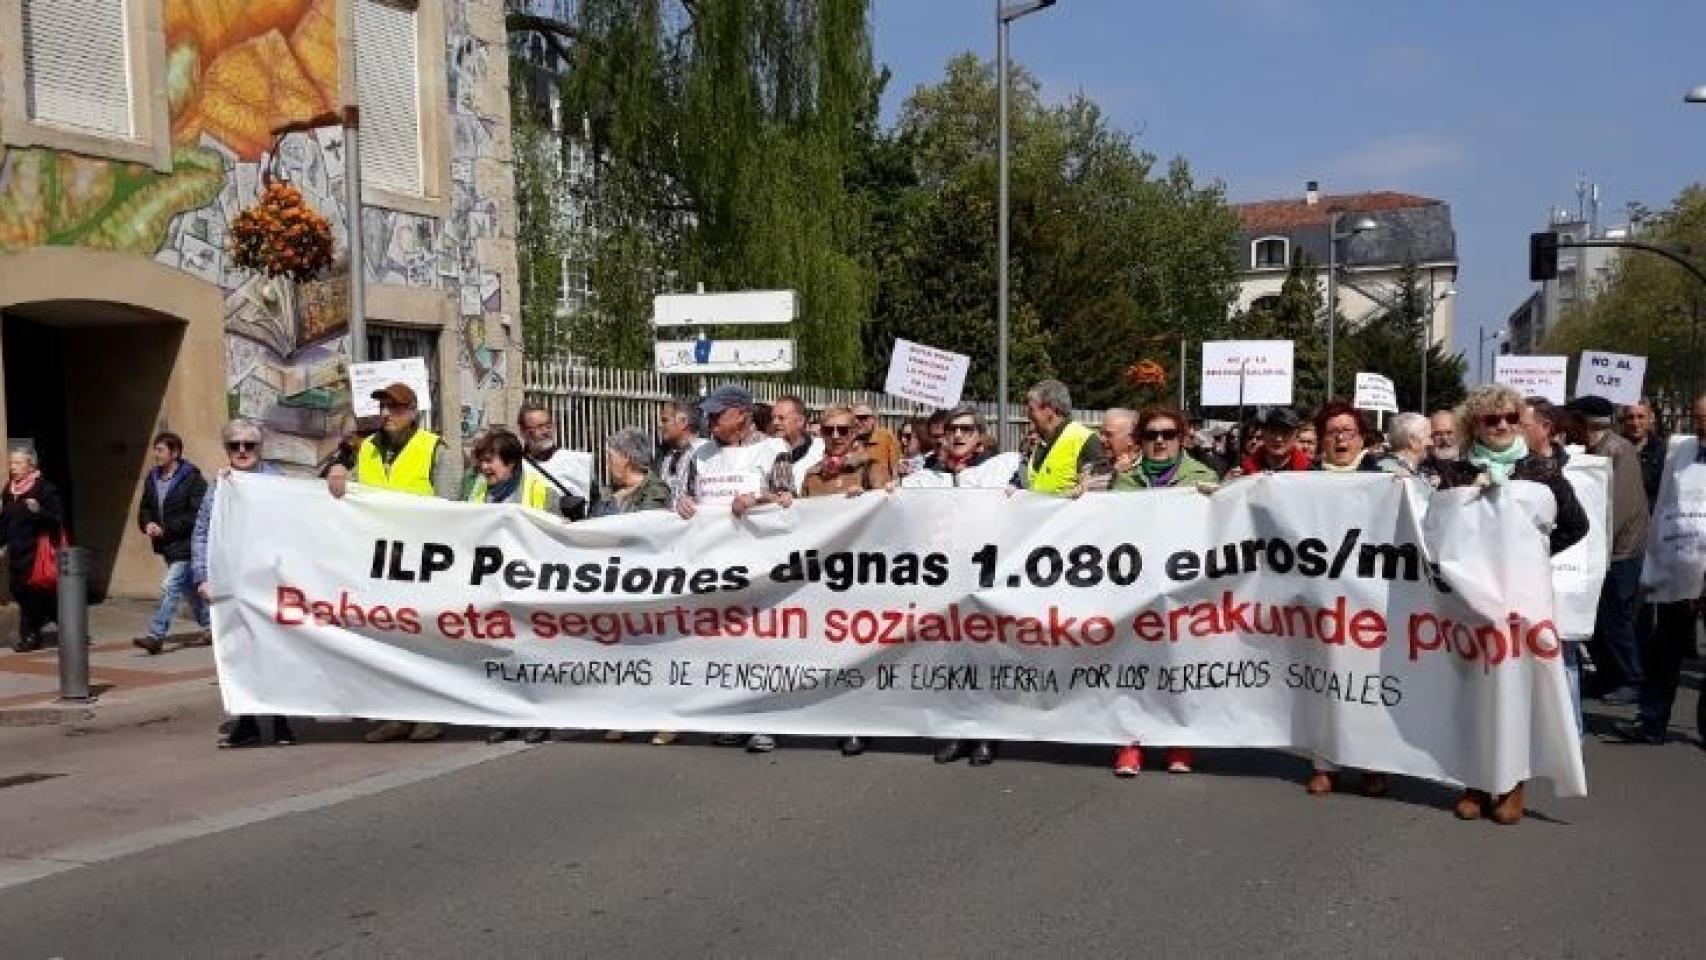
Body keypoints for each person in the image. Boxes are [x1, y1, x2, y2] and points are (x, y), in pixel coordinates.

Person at [1435, 384, 1588, 824]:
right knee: (1472, 688)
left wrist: (1533, 552)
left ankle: (1513, 782)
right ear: (1474, 425)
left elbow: (1576, 525)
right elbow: (1437, 532)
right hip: (1473, 602)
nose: (1501, 425)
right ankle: (1475, 781)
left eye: (1507, 418)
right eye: (1490, 419)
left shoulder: (1542, 472)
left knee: (1519, 687)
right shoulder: (1455, 475)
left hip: (1524, 599)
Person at [327, 382, 453, 743]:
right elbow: (347, 490)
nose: (386, 415)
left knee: (424, 642)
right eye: (382, 408)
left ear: (412, 411)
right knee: (387, 642)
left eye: (395, 409)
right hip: (378, 564)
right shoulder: (366, 449)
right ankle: (395, 713)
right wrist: (338, 472)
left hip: (421, 563)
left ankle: (432, 712)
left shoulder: (434, 449)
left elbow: (451, 508)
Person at [1098, 407, 1212, 777]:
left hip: (1184, 588)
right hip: (1135, 587)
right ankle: (1130, 743)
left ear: (1181, 438)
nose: (1159, 441)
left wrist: (1223, 494)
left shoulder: (1204, 477)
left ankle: (1181, 742)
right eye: (1151, 435)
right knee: (1132, 666)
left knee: (1180, 664)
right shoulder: (1125, 479)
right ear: (1140, 440)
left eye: (1167, 434)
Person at [679, 385, 793, 753]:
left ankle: (767, 719)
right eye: (708, 414)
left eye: (718, 413)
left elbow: (788, 497)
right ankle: (734, 716)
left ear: (742, 414)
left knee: (762, 644)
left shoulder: (773, 449)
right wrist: (683, 504)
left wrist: (758, 499)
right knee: (725, 643)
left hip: (760, 563)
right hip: (715, 565)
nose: (710, 420)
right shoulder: (701, 454)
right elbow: (686, 496)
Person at [191, 419, 295, 747]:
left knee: (275, 652)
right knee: (239, 654)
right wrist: (201, 576)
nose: (241, 451)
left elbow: (295, 526)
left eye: (248, 445)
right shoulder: (219, 485)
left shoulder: (276, 482)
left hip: (269, 582)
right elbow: (203, 532)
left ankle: (280, 721)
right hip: (232, 583)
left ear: (259, 448)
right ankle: (247, 722)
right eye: (234, 445)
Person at [1615, 392, 1706, 747]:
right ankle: (1652, 721)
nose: (1702, 428)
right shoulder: (1680, 452)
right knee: (1664, 647)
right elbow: (1666, 504)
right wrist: (1656, 560)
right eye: (1698, 420)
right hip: (1678, 566)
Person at [800, 406, 890, 757]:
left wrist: (869, 499)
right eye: (828, 430)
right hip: (824, 578)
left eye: (842, 430)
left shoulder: (871, 467)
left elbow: (891, 509)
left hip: (863, 577)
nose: (835, 437)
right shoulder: (812, 475)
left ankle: (859, 722)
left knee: (860, 652)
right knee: (828, 649)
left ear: (855, 432)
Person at [468, 429, 557, 747]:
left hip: (530, 586)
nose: (484, 468)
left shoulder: (539, 490)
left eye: (490, 461)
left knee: (531, 652)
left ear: (511, 462)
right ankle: (506, 716)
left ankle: (537, 717)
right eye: (481, 461)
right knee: (499, 652)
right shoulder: (479, 490)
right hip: (493, 586)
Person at [1567, 394, 1650, 705]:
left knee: (1616, 616)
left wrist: (1595, 542)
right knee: (1599, 617)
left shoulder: (1618, 450)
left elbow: (1621, 505)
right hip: (1602, 548)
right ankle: (1606, 675)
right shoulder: (1594, 449)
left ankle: (1631, 678)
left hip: (1621, 550)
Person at [135, 432, 210, 655]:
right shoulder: (152, 478)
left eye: (160, 450)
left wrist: (167, 528)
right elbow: (145, 507)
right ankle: (211, 626)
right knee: (189, 589)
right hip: (167, 545)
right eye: (155, 450)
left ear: (175, 452)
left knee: (170, 586)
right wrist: (147, 524)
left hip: (188, 544)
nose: (156, 455)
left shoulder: (193, 479)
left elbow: (198, 513)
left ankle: (156, 636)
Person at [1, 449, 64, 652]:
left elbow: (56, 521)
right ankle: (55, 623)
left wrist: (39, 511)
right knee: (18, 589)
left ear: (31, 466)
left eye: (17, 464)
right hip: (16, 551)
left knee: (31, 593)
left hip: (37, 551)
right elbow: (4, 522)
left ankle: (30, 636)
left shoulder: (44, 489)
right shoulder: (9, 491)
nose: (13, 468)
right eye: (12, 463)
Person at [1016, 379, 1101, 494]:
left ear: (1050, 409)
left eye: (1031, 409)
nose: (1028, 415)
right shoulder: (1041, 443)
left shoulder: (1085, 440)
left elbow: (1097, 494)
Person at [517, 402, 593, 516]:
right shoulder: (514, 468)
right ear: (523, 432)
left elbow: (595, 506)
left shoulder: (578, 461)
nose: (545, 431)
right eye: (539, 427)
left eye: (548, 425)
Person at [653, 399, 704, 508]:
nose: (660, 425)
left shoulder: (705, 453)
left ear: (683, 421)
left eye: (665, 420)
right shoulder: (662, 454)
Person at [1233, 408, 1311, 475]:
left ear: (1296, 436)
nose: (1278, 439)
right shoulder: (1243, 471)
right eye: (1272, 431)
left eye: (1285, 432)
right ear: (1263, 433)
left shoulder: (1310, 472)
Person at [772, 395, 824, 492]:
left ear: (800, 421)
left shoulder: (820, 449)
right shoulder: (763, 450)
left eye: (781, 418)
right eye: (773, 418)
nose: (775, 422)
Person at [1620, 398, 1664, 509]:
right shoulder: (1613, 450)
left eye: (1640, 417)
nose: (1635, 423)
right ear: (1624, 420)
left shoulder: (1663, 452)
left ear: (1651, 418)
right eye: (1630, 417)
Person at [1313, 401, 1382, 472]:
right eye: (1332, 432)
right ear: (1322, 440)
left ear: (1362, 439)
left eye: (1347, 431)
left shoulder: (1384, 477)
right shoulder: (1305, 476)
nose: (1340, 437)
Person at [1378, 412, 1438, 483]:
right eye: (1429, 437)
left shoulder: (1417, 471)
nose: (1432, 443)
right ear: (1413, 442)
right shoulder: (1389, 474)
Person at [850, 402, 902, 476]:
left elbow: (896, 469)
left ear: (873, 419)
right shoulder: (848, 440)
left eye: (862, 418)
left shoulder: (885, 437)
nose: (857, 422)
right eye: (854, 418)